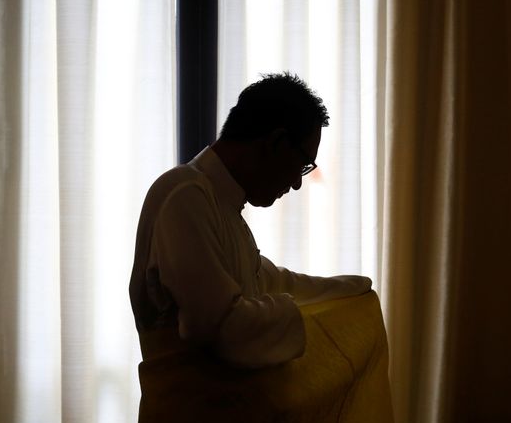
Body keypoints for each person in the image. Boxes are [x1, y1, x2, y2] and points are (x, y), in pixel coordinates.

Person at [129, 72, 372, 369]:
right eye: (302, 165)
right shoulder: (185, 195)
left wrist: (355, 290)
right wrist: (298, 317)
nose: (297, 183)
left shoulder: (221, 205)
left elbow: (275, 282)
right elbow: (220, 326)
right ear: (277, 142)